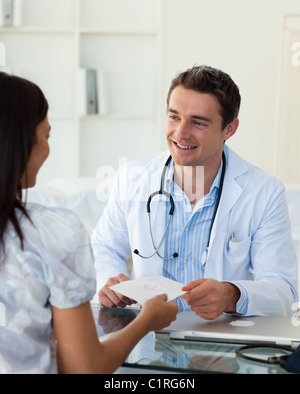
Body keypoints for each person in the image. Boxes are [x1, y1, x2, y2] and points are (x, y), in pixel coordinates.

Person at [0, 72, 178, 374]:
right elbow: (85, 369)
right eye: (47, 135)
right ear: (18, 142)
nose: (47, 147)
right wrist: (148, 320)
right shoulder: (50, 231)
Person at [91, 65, 298, 319]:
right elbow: (105, 247)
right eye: (174, 117)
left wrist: (232, 295)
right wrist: (110, 282)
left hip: (218, 346)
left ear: (229, 129)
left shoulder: (264, 193)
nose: (180, 133)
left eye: (198, 122)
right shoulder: (132, 177)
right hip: (145, 335)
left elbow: (284, 291)